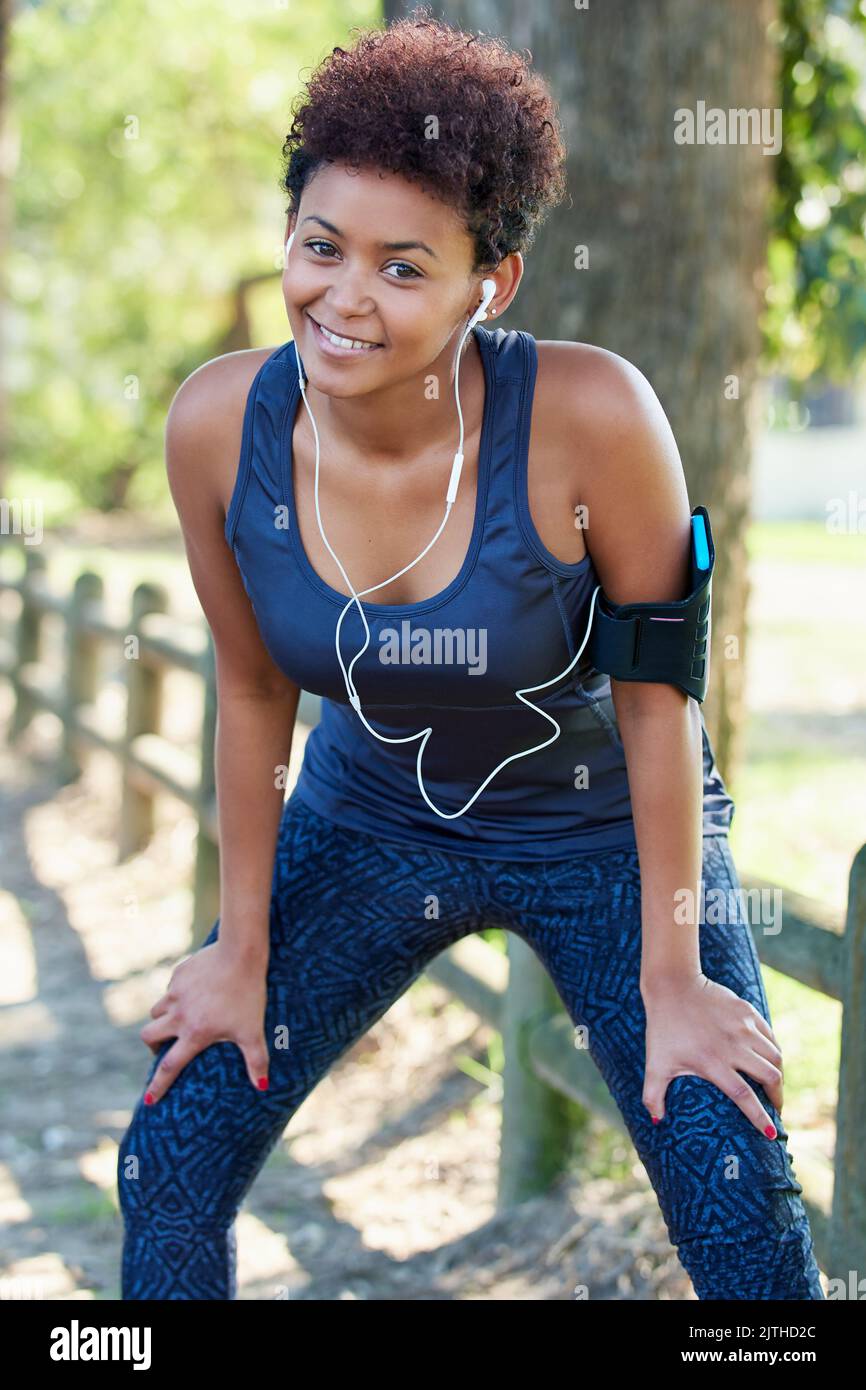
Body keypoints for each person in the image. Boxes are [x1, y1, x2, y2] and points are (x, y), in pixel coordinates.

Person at [116, 7, 824, 1301]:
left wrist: (671, 975)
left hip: (606, 834)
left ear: (486, 284)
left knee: (732, 1193)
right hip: (371, 821)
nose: (343, 296)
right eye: (320, 247)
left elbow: (661, 698)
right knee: (171, 1147)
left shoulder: (592, 414)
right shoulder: (219, 423)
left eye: (403, 266)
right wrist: (238, 945)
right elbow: (251, 687)